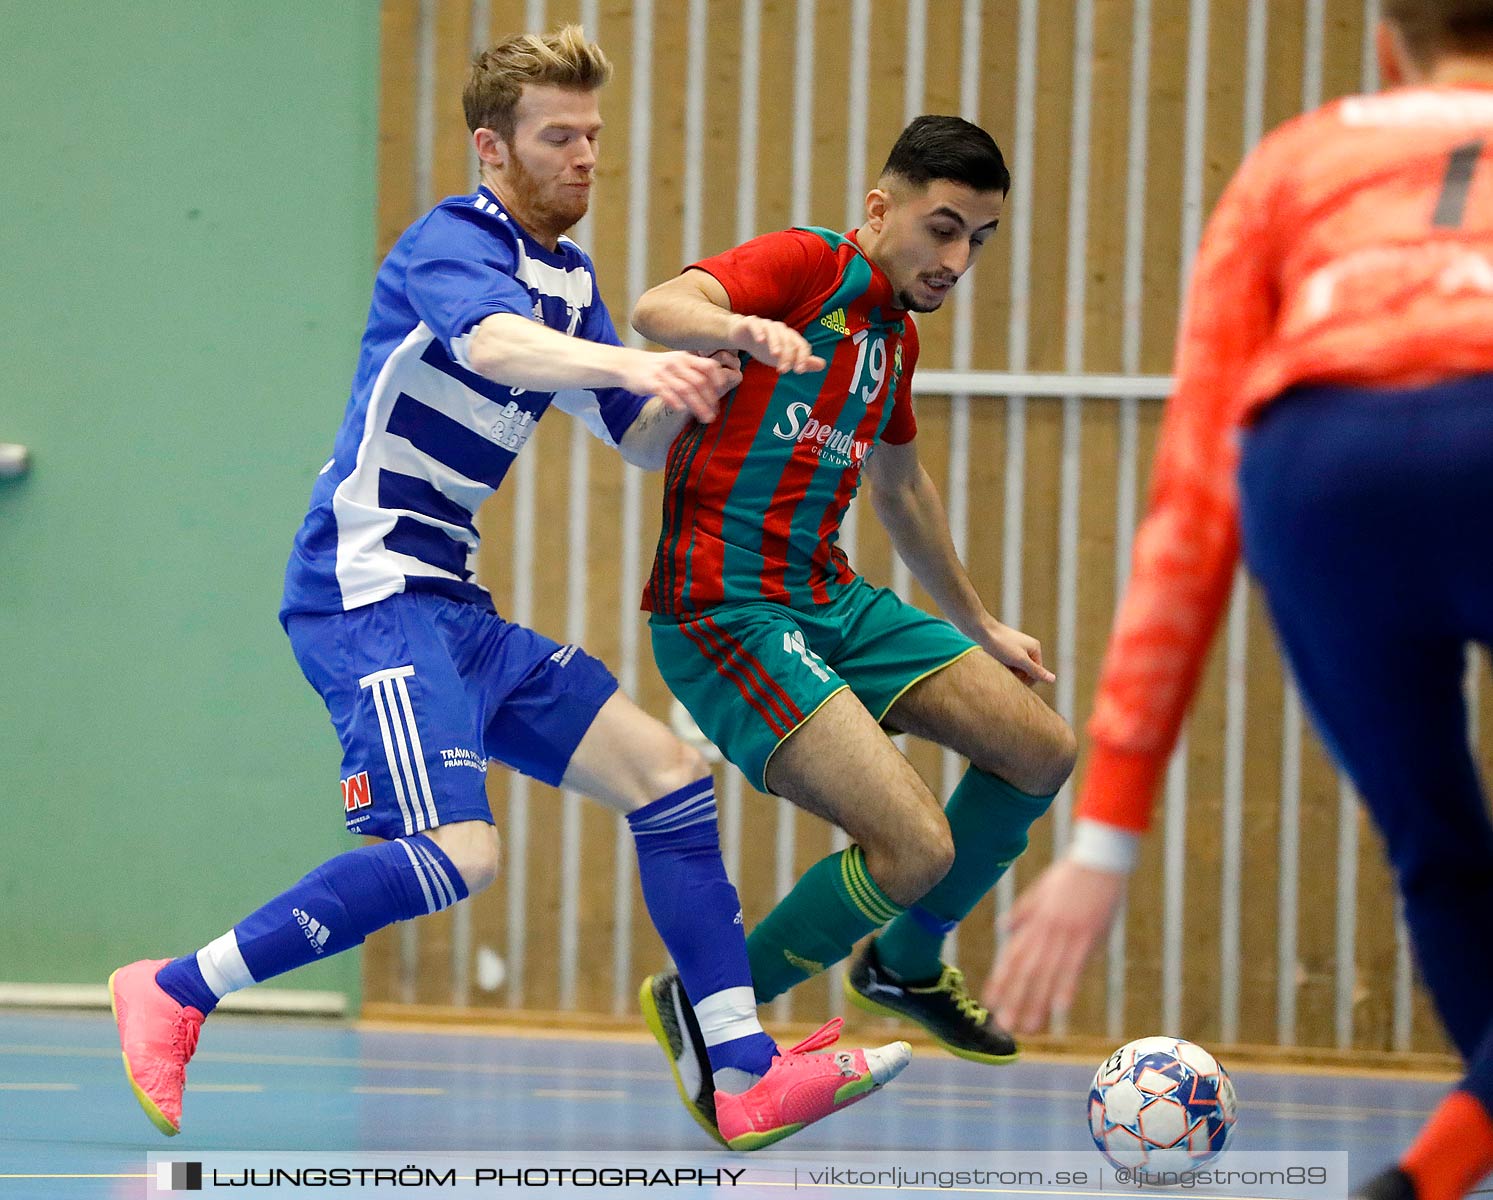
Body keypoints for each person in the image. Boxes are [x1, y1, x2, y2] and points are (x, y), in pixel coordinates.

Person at [106, 25, 909, 1154]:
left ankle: (740, 1071)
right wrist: (633, 358)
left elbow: (628, 433)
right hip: (366, 589)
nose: (584, 157)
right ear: (493, 148)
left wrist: (724, 368)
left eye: (592, 135)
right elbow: (490, 349)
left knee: (666, 777)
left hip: (455, 608)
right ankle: (179, 988)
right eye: (557, 136)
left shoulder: (567, 277)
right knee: (460, 854)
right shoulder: (451, 241)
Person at [982, 4, 1493, 1198]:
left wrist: (1106, 828)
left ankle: (1431, 1172)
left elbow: (1188, 503)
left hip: (1319, 474)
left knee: (1435, 848)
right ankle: (1437, 1162)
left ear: (1382, 45)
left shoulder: (1290, 161)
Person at [629, 115, 1077, 1137]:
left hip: (826, 595)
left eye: (979, 239)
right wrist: (737, 329)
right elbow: (662, 305)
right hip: (721, 609)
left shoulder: (892, 340)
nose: (956, 258)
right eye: (942, 227)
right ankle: (713, 1010)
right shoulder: (808, 266)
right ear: (881, 209)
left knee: (1037, 749)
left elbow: (901, 487)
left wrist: (980, 622)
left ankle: (905, 964)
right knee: (911, 845)